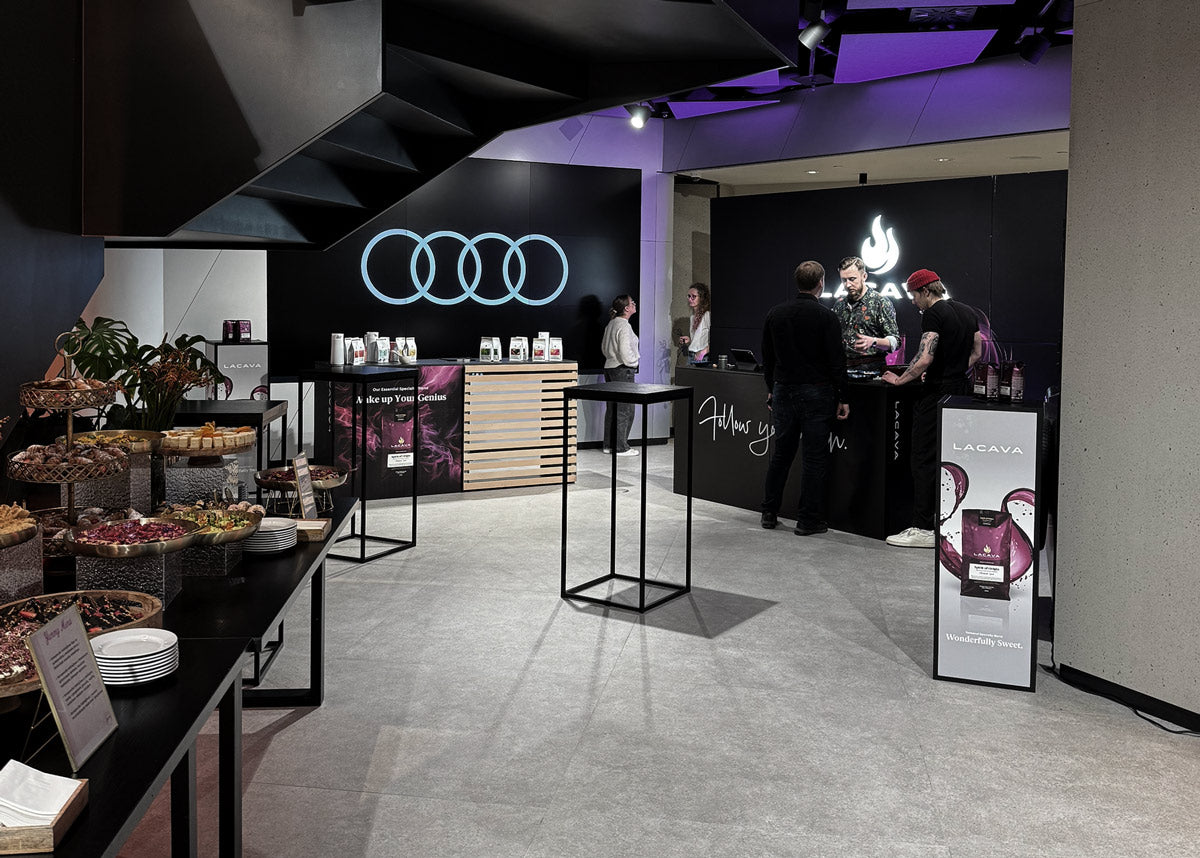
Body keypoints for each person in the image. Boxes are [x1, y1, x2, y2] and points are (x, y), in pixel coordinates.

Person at [881, 269, 982, 548]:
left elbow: (924, 358)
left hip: (936, 395)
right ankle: (948, 526)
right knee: (952, 460)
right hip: (961, 393)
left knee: (923, 459)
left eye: (914, 295)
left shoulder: (933, 313)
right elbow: (977, 352)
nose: (913, 302)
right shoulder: (967, 311)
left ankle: (923, 528)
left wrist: (899, 380)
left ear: (926, 291)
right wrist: (954, 370)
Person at [760, 261, 850, 535]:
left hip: (783, 390)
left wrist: (771, 387)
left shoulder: (776, 313)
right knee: (814, 459)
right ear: (821, 283)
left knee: (781, 455)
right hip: (816, 392)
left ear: (797, 282)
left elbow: (767, 356)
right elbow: (837, 361)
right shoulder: (826, 317)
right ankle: (808, 520)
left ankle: (769, 512)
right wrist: (843, 396)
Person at [834, 256, 900, 375]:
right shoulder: (839, 305)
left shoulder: (880, 302)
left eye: (852, 279)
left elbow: (895, 341)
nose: (848, 284)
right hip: (842, 371)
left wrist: (874, 341)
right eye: (844, 280)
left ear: (864, 276)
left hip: (872, 372)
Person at [601, 294, 640, 456]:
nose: (635, 304)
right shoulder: (624, 326)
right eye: (632, 303)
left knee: (612, 408)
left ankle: (609, 445)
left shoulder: (611, 324)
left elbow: (604, 348)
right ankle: (621, 447)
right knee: (625, 409)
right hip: (622, 370)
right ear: (626, 308)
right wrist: (634, 361)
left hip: (610, 368)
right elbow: (625, 351)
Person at [678, 282, 711, 364]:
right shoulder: (692, 317)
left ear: (701, 298)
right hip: (692, 355)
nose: (690, 299)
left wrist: (703, 352)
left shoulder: (707, 315)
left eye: (694, 296)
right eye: (689, 296)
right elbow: (699, 339)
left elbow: (716, 339)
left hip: (703, 357)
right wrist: (689, 340)